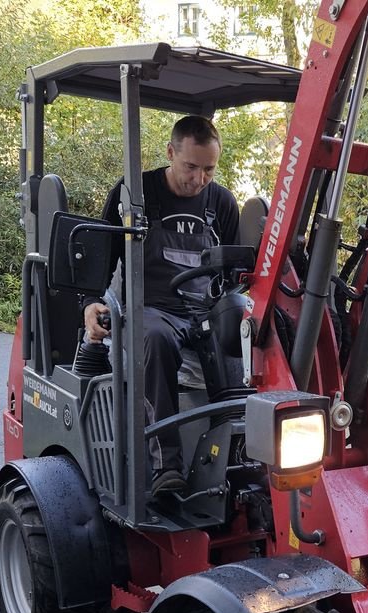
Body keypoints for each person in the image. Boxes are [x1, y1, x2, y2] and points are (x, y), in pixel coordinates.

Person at [82, 115, 240, 495]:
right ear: (171, 152)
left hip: (205, 311)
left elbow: (235, 275)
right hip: (154, 310)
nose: (199, 179)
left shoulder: (221, 202)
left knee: (239, 340)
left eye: (209, 169)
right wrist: (89, 302)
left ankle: (235, 460)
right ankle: (165, 467)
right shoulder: (136, 194)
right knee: (153, 338)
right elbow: (102, 256)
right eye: (191, 167)